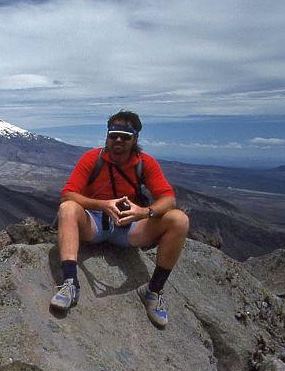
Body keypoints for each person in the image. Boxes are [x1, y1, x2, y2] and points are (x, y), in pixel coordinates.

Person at [50, 110, 189, 327]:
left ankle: (153, 291)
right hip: (94, 222)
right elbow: (68, 195)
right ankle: (70, 283)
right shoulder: (92, 159)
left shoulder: (145, 163)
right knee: (67, 208)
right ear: (107, 135)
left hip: (129, 226)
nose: (118, 140)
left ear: (135, 139)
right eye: (113, 135)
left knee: (179, 220)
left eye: (125, 136)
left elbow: (168, 199)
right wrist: (102, 205)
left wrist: (144, 212)